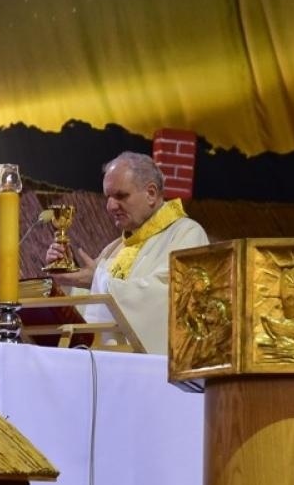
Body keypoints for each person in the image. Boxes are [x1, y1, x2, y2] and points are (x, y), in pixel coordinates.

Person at [46, 151, 209, 354]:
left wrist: (96, 281)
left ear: (151, 193)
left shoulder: (186, 234)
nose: (111, 206)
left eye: (121, 195)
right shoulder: (114, 248)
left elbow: (167, 298)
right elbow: (88, 310)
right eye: (108, 197)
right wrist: (68, 278)